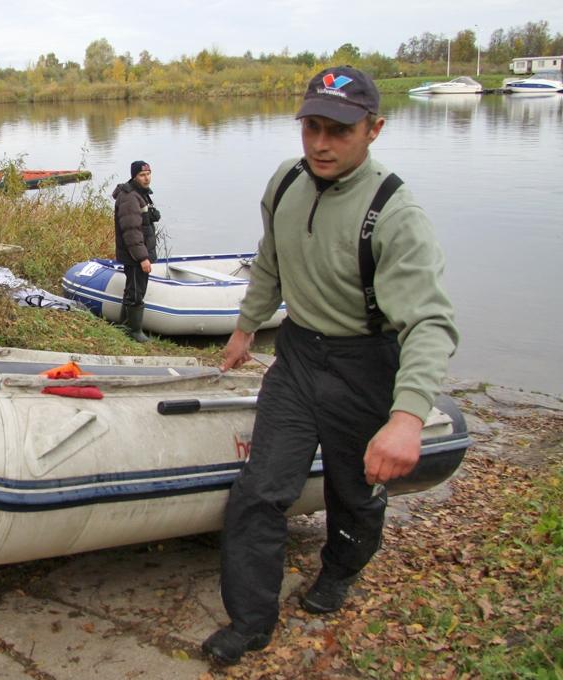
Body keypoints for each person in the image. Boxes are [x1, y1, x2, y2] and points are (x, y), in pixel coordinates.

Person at [201, 67, 459, 666]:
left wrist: (408, 418)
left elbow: (430, 324)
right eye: (311, 127)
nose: (320, 143)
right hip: (296, 356)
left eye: (339, 131)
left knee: (355, 491)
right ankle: (251, 620)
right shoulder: (286, 182)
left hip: (364, 363)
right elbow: (270, 258)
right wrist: (246, 327)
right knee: (260, 490)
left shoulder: (396, 214)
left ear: (374, 129)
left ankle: (339, 570)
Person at [112, 160, 160, 342]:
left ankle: (125, 325)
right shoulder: (130, 197)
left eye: (148, 174)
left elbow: (141, 221)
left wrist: (151, 215)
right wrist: (142, 258)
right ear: (134, 176)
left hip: (137, 254)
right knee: (136, 292)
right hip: (134, 256)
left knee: (132, 289)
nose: (146, 178)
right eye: (142, 175)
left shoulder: (140, 194)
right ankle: (134, 331)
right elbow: (131, 231)